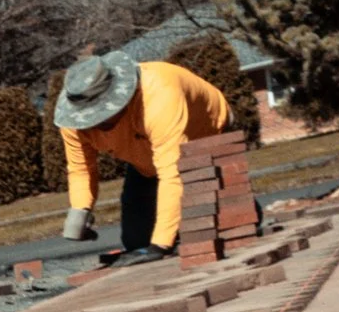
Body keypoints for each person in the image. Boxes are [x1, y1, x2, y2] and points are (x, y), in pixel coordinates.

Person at [53, 51, 231, 263]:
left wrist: (160, 245)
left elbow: (173, 172)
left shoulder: (159, 95)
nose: (94, 125)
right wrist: (79, 215)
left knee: (218, 222)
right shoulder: (75, 121)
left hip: (204, 135)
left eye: (99, 115)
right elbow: (81, 169)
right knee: (136, 241)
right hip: (145, 160)